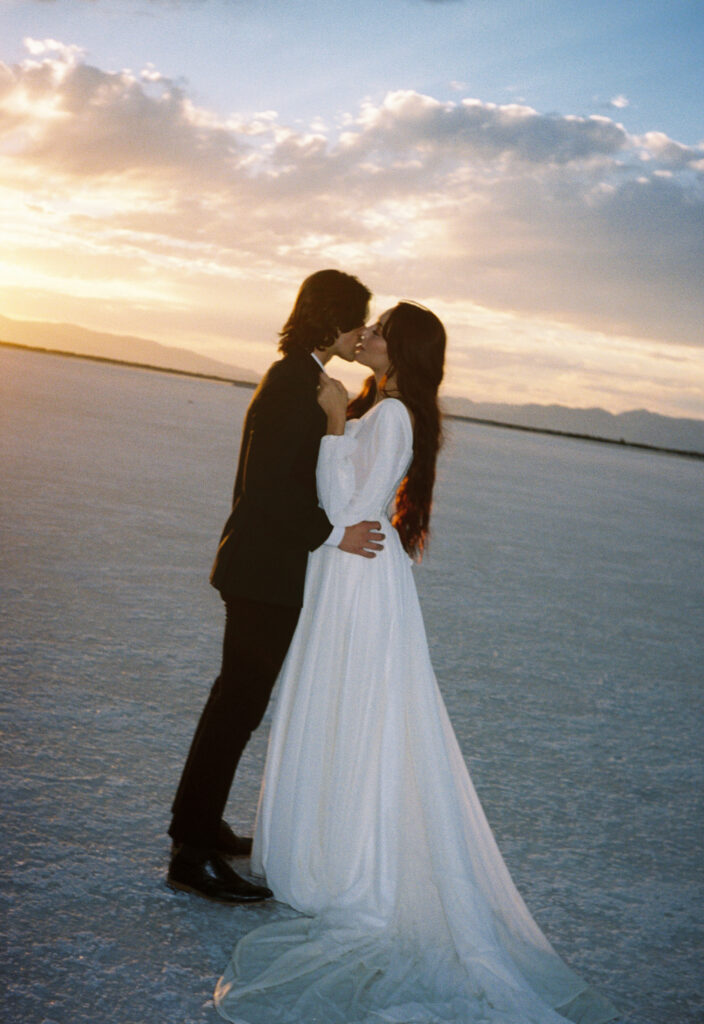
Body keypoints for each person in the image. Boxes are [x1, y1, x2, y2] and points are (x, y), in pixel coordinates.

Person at [214, 302, 619, 1022]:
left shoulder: (389, 416)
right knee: (345, 707)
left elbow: (345, 507)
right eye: (363, 327)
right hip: (352, 578)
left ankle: (344, 864)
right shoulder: (389, 406)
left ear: (400, 348)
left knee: (357, 712)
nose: (364, 334)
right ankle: (327, 848)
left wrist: (336, 422)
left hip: (358, 582)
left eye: (378, 330)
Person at [167, 270, 385, 905]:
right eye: (357, 322)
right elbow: (270, 489)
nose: (362, 333)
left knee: (235, 703)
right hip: (264, 573)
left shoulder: (300, 376)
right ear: (330, 320)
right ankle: (191, 852)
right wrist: (331, 534)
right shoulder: (294, 382)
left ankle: (200, 826)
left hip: (266, 568)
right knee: (236, 705)